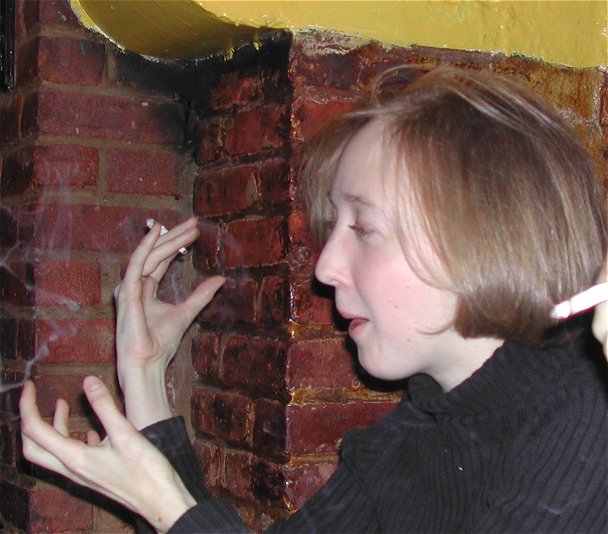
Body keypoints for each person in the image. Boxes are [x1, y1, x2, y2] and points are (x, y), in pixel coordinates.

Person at [19, 67, 607, 533]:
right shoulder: (417, 434)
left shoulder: (588, 429)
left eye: (365, 228)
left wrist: (169, 509)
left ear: (487, 237)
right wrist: (146, 376)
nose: (325, 268)